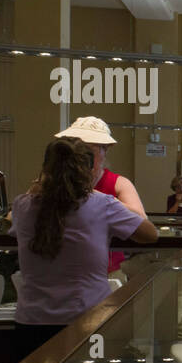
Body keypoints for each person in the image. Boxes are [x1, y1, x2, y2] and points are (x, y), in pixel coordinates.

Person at [9, 138, 157, 357]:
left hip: (31, 322)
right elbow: (150, 234)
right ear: (88, 170)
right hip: (87, 320)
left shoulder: (22, 205)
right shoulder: (102, 204)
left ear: (45, 169)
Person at [56, 116, 147, 274]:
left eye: (88, 151)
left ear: (106, 150)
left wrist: (93, 195)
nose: (81, 157)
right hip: (61, 271)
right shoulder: (54, 181)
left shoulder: (118, 183)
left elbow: (141, 220)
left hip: (106, 272)